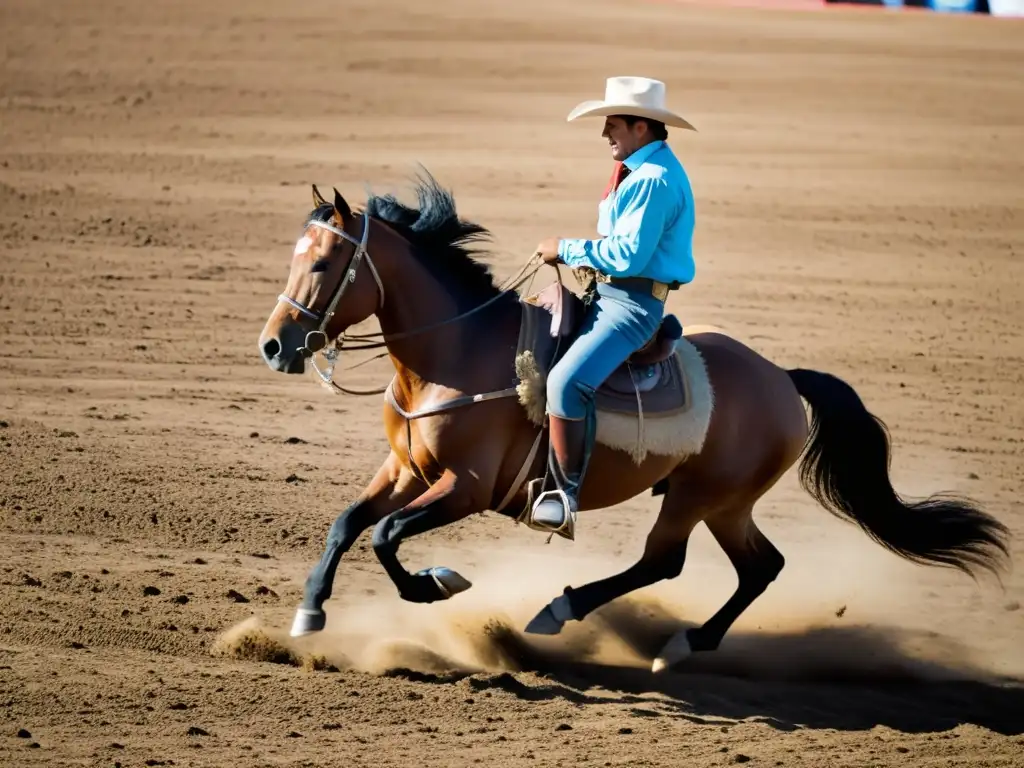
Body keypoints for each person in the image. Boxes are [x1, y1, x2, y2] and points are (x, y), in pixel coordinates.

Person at [528, 76, 698, 540]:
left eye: (613, 125)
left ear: (641, 127)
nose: (606, 134)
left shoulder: (654, 179)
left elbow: (628, 257)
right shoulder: (637, 171)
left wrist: (566, 248)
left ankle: (564, 495)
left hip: (632, 307)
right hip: (607, 293)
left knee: (565, 382)